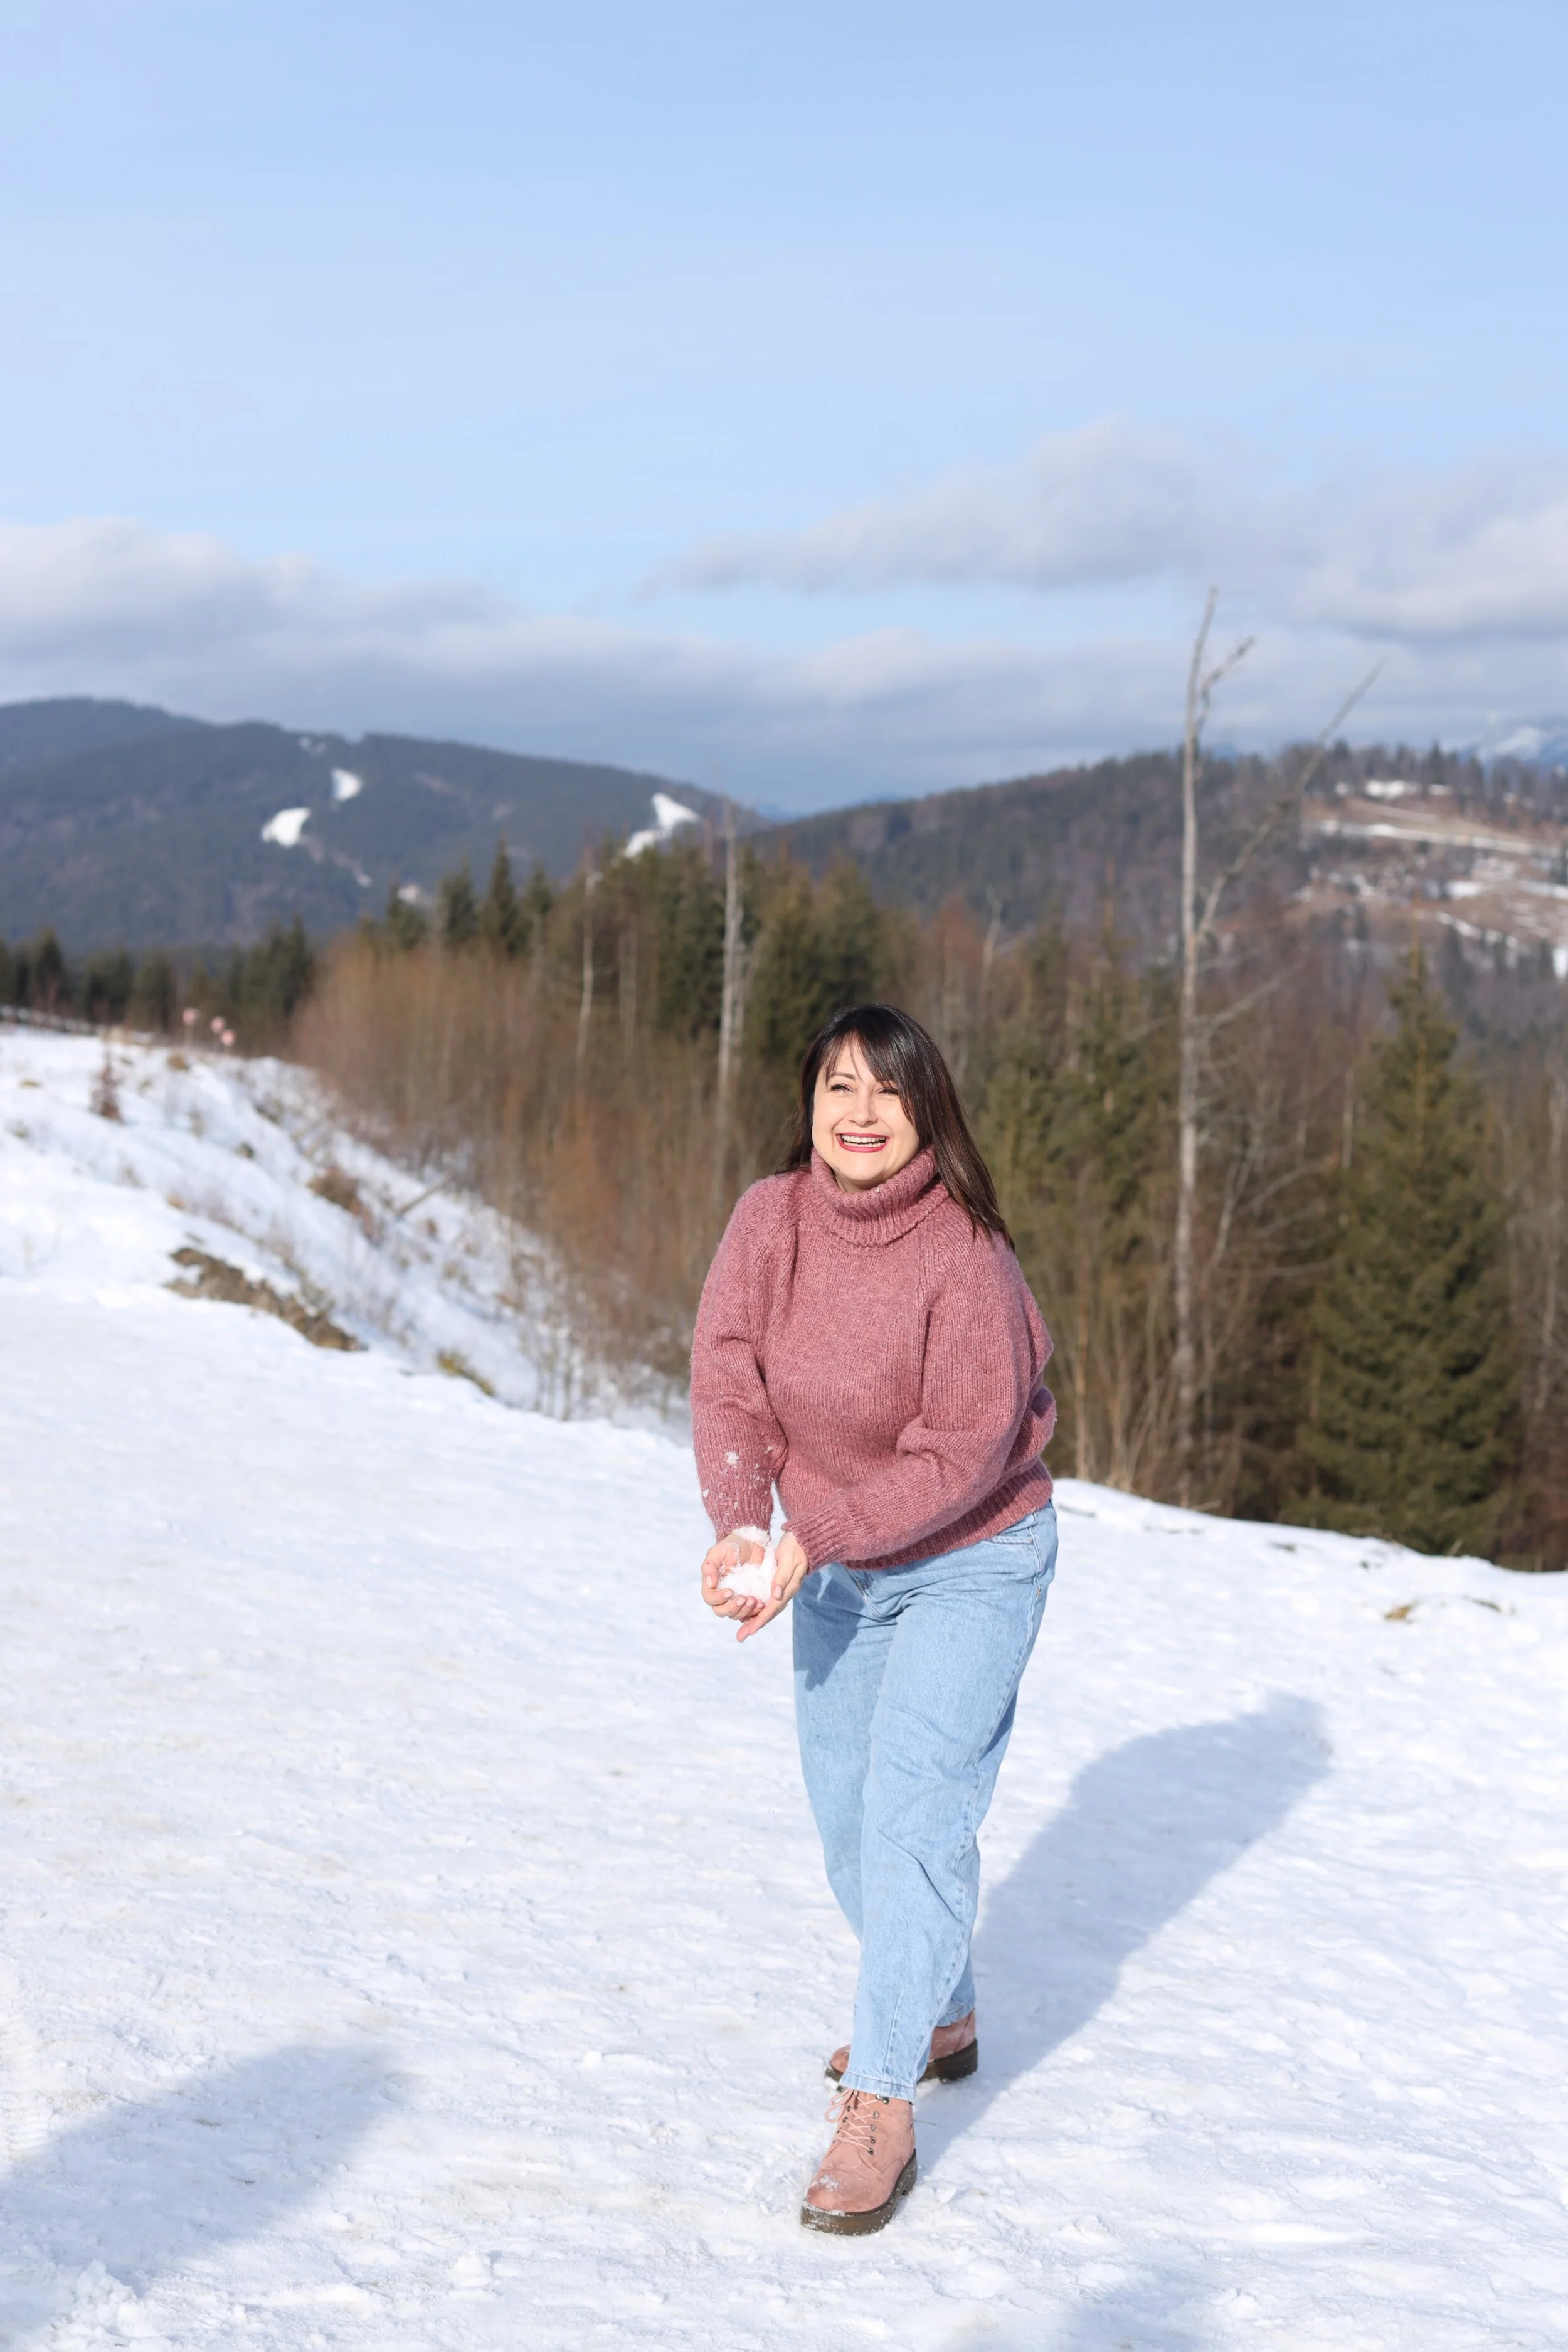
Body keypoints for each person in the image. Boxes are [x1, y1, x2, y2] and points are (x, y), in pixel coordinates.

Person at [691, 1002, 1057, 2237]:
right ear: (807, 1103)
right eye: (836, 1088)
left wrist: (817, 1536)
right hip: (830, 1563)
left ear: (924, 1114)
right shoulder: (769, 1219)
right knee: (850, 1826)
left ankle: (884, 2099)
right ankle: (936, 2005)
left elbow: (962, 1455)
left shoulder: (966, 1258)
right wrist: (743, 1522)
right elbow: (727, 1363)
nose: (855, 1114)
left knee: (911, 1814)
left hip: (969, 1557)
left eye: (884, 1094)